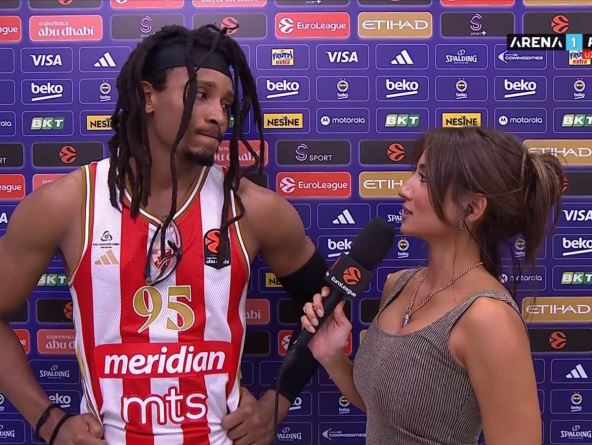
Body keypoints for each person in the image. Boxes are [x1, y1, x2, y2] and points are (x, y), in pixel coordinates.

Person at [0, 25, 325, 445]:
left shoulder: (254, 210)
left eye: (226, 103)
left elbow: (329, 306)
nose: (218, 115)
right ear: (148, 96)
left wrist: (274, 405)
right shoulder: (67, 204)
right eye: (200, 94)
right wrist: (49, 421)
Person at [301, 127, 564, 445]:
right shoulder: (399, 285)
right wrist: (331, 356)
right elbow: (391, 417)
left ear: (472, 208)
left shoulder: (489, 318)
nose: (404, 189)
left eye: (424, 178)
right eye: (414, 173)